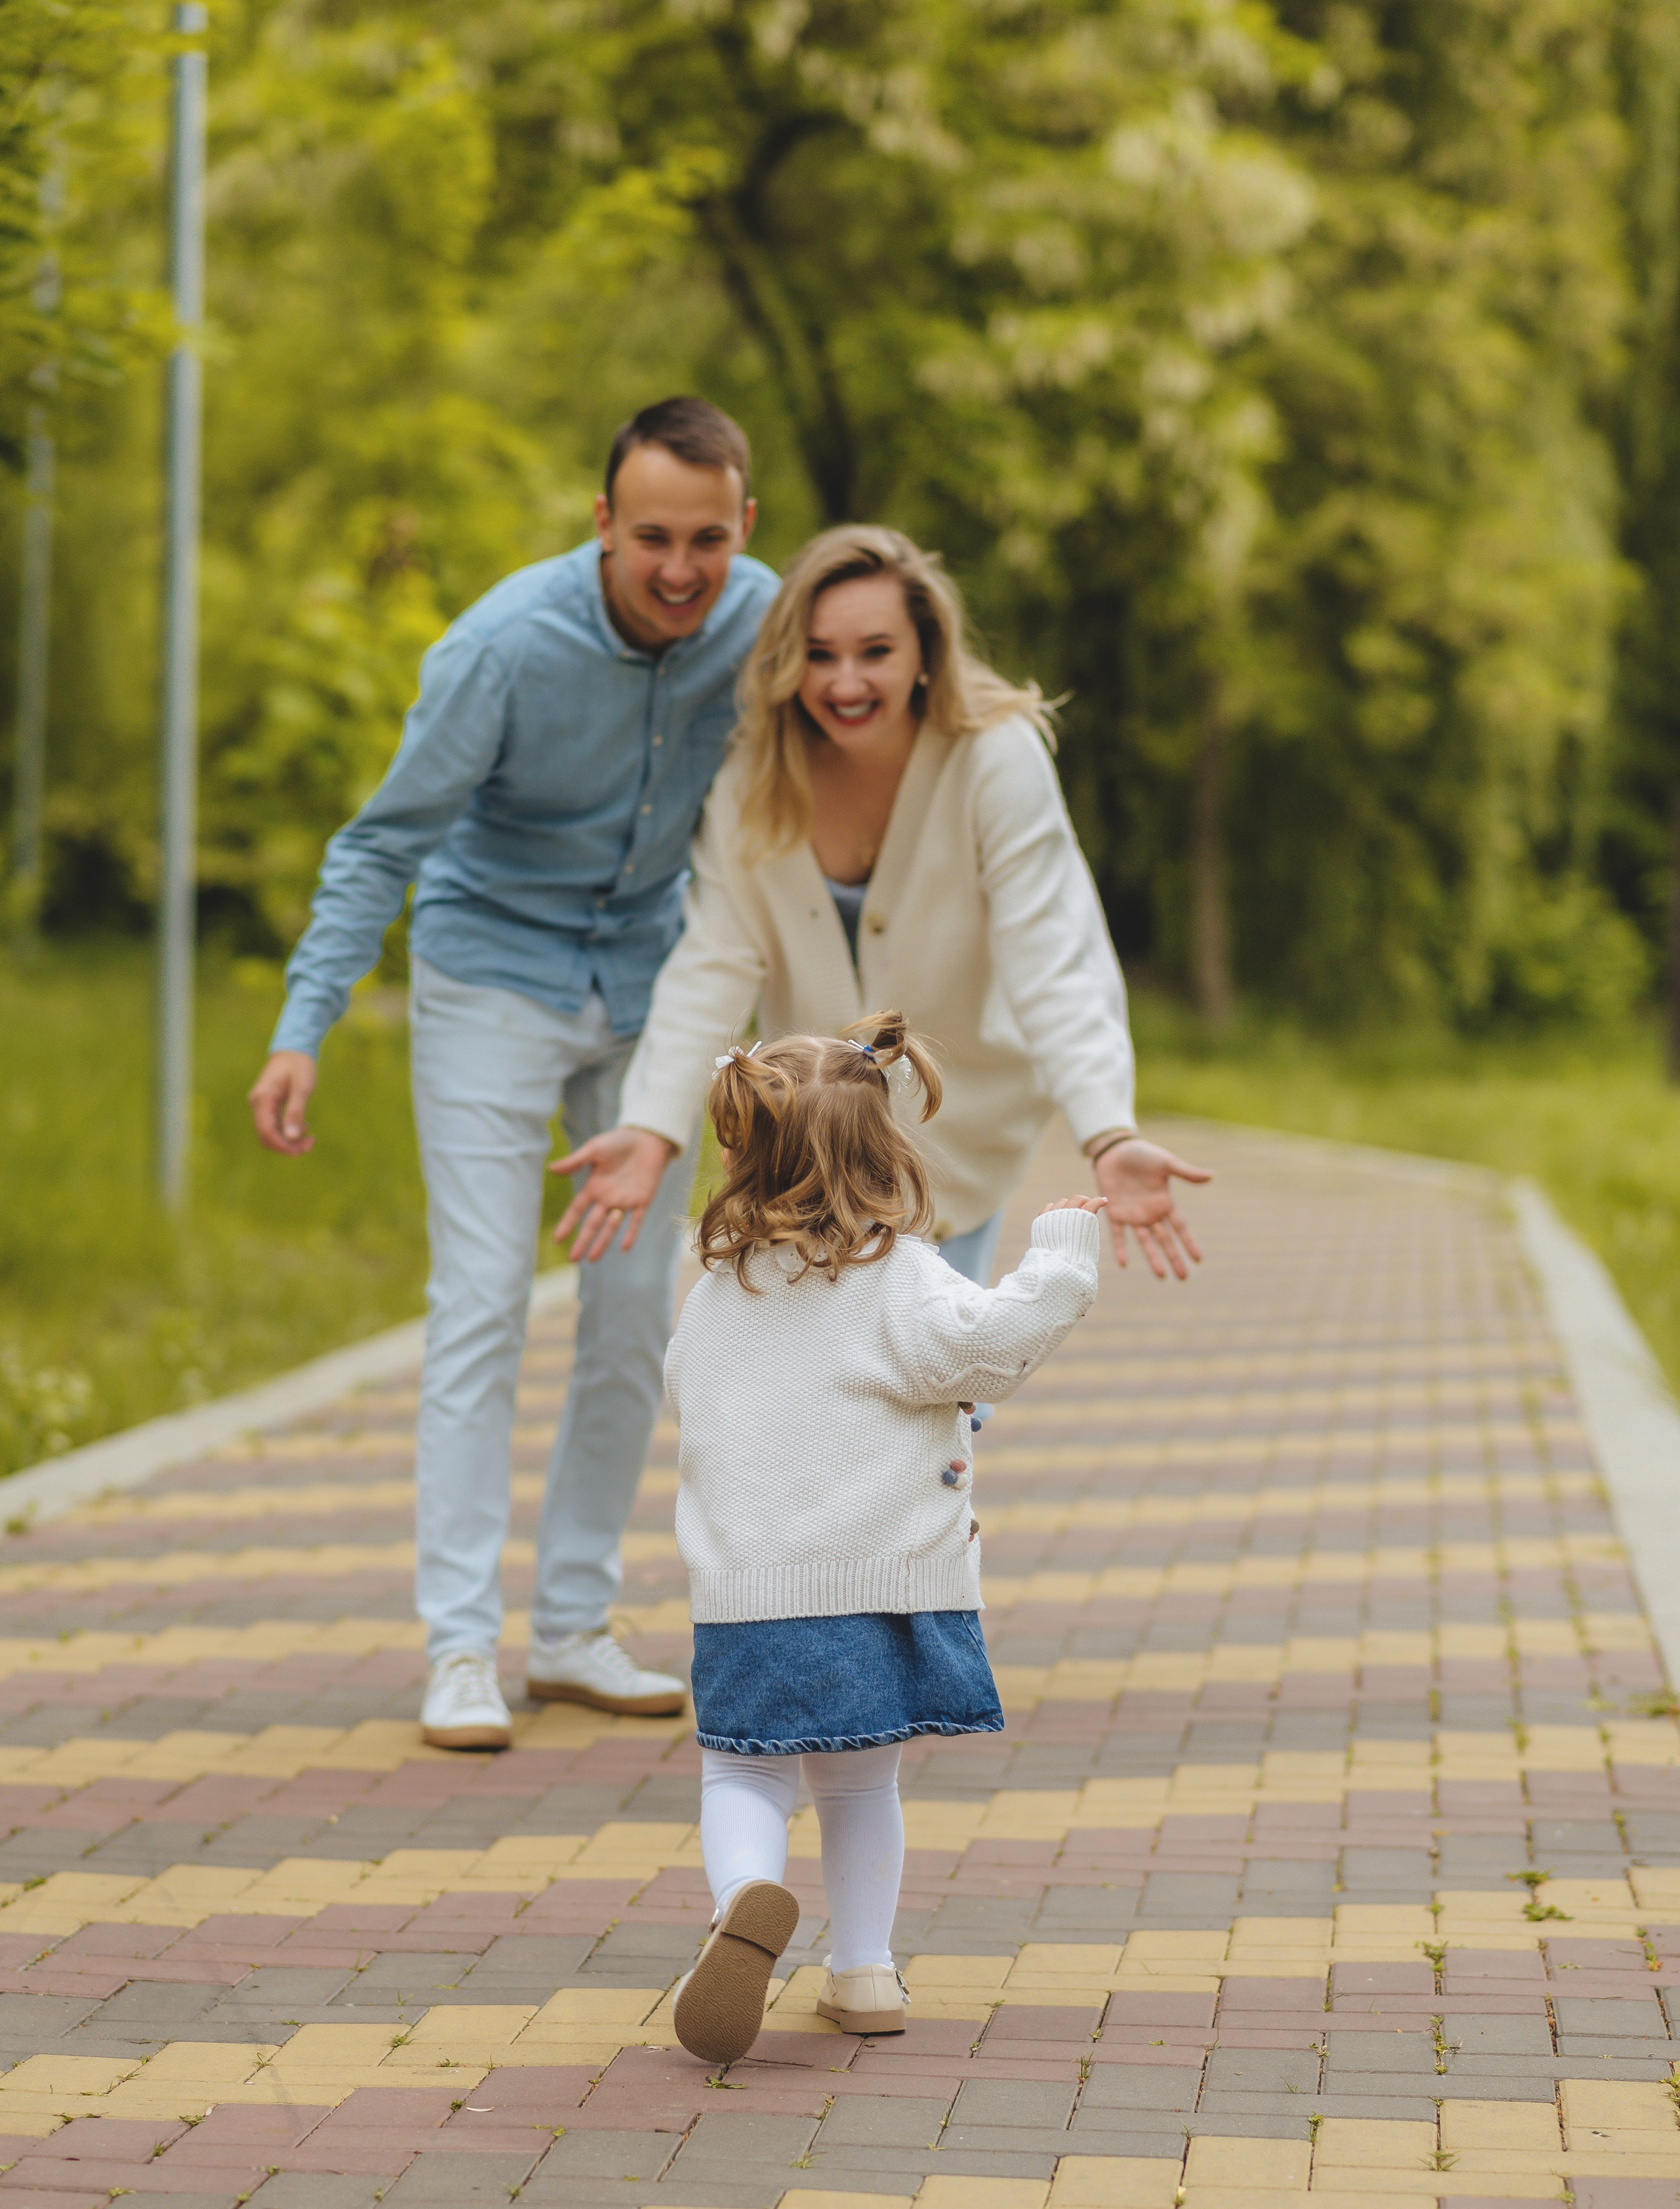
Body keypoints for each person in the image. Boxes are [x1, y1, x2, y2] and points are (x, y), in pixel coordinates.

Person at [245, 399, 780, 1753]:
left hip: (653, 988)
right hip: (493, 977)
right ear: (600, 522)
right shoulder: (499, 648)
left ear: (743, 529)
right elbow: (380, 844)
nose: (678, 570)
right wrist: (303, 1024)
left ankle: (574, 1627)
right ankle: (456, 1646)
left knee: (634, 1307)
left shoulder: (764, 618)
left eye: (704, 540)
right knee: (481, 1295)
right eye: (650, 535)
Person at [553, 522, 1211, 1290]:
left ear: (926, 652)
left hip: (951, 1135)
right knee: (820, 1381)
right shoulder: (752, 781)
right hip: (809, 1143)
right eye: (819, 654)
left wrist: (1107, 1131)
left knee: (942, 1382)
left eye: (876, 651)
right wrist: (650, 1125)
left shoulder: (994, 757)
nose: (845, 682)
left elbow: (1051, 955)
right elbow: (712, 964)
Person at [663, 1014, 1103, 2065]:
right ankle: (862, 1969)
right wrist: (1063, 1262)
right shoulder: (903, 1275)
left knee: (743, 1777)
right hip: (885, 1588)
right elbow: (988, 1355)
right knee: (862, 1786)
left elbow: (686, 1391)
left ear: (742, 1152)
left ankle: (746, 1899)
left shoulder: (720, 1289)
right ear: (886, 1152)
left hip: (749, 1592)